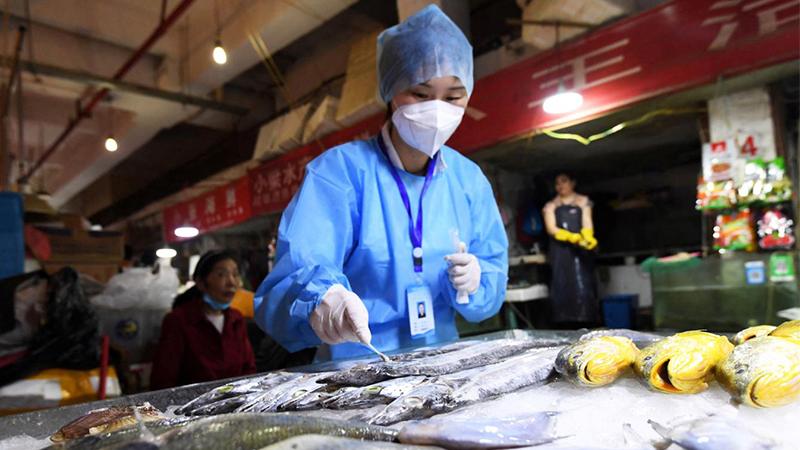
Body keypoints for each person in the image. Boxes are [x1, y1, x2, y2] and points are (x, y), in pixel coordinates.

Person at [255, 5, 508, 360]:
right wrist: (322, 299)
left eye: (453, 96)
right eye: (420, 94)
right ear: (390, 90)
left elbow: (489, 284)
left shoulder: (469, 181)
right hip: (355, 370)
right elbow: (295, 274)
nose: (437, 110)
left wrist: (478, 280)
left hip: (442, 363)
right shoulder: (339, 173)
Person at [151, 250, 255, 389]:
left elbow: (248, 369)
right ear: (200, 283)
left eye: (235, 274)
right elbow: (163, 379)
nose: (231, 282)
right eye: (221, 274)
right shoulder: (178, 320)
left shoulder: (236, 319)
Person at [542, 173, 599, 327]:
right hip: (560, 251)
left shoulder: (583, 201)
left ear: (573, 183)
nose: (560, 186)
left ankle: (588, 320)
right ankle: (564, 322)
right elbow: (551, 228)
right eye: (557, 183)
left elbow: (587, 222)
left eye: (564, 181)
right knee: (561, 282)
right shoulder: (551, 205)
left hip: (580, 251)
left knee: (584, 282)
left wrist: (586, 236)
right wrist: (570, 237)